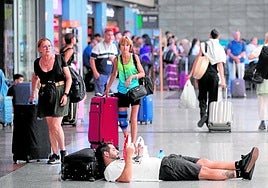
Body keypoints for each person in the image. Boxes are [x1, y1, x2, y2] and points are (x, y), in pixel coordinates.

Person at [95, 142, 259, 182]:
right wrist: (129, 156)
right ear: (105, 154)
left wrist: (137, 153)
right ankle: (240, 172)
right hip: (164, 169)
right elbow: (126, 178)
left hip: (165, 160)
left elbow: (137, 165)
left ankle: (240, 163)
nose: (116, 151)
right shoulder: (110, 171)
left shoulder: (121, 161)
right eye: (113, 149)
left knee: (204, 162)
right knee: (203, 172)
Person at [29, 38, 72, 164]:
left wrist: (65, 94)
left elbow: (68, 78)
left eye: (49, 46)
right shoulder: (37, 62)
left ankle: (63, 151)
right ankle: (55, 154)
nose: (47, 48)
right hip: (45, 93)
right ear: (39, 49)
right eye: (44, 46)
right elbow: (35, 77)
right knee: (50, 127)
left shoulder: (59, 59)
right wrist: (33, 93)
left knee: (56, 124)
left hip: (59, 92)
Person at [104, 36, 145, 145]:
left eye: (127, 45)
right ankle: (127, 137)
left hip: (135, 90)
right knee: (122, 119)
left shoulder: (134, 57)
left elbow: (142, 73)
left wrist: (132, 77)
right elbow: (114, 74)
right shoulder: (117, 59)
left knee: (133, 118)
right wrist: (108, 87)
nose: (125, 47)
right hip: (122, 91)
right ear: (119, 46)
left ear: (130, 46)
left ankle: (133, 142)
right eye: (123, 45)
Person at [188, 29, 226, 128]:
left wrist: (192, 73)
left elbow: (197, 59)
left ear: (210, 35)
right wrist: (223, 80)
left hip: (203, 74)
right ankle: (209, 118)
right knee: (213, 98)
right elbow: (220, 64)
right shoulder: (219, 47)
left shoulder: (204, 45)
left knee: (202, 96)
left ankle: (203, 114)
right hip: (213, 76)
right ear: (218, 37)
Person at [249, 32, 268, 130]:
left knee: (262, 102)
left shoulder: (261, 48)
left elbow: (250, 57)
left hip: (262, 79)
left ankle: (263, 122)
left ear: (266, 39)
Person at [90, 29, 118, 95]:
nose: (110, 37)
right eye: (108, 35)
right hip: (100, 74)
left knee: (108, 93)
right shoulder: (98, 46)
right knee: (99, 94)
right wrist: (95, 72)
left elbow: (116, 60)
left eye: (112, 35)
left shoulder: (114, 46)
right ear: (104, 36)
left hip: (110, 74)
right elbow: (92, 60)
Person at [226, 31, 246, 96]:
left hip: (240, 61)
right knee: (232, 76)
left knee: (241, 76)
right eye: (235, 35)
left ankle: (242, 91)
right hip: (232, 62)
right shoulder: (230, 43)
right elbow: (228, 52)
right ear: (233, 36)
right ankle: (230, 91)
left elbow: (244, 52)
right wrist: (234, 58)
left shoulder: (242, 43)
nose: (237, 36)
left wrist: (238, 57)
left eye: (238, 35)